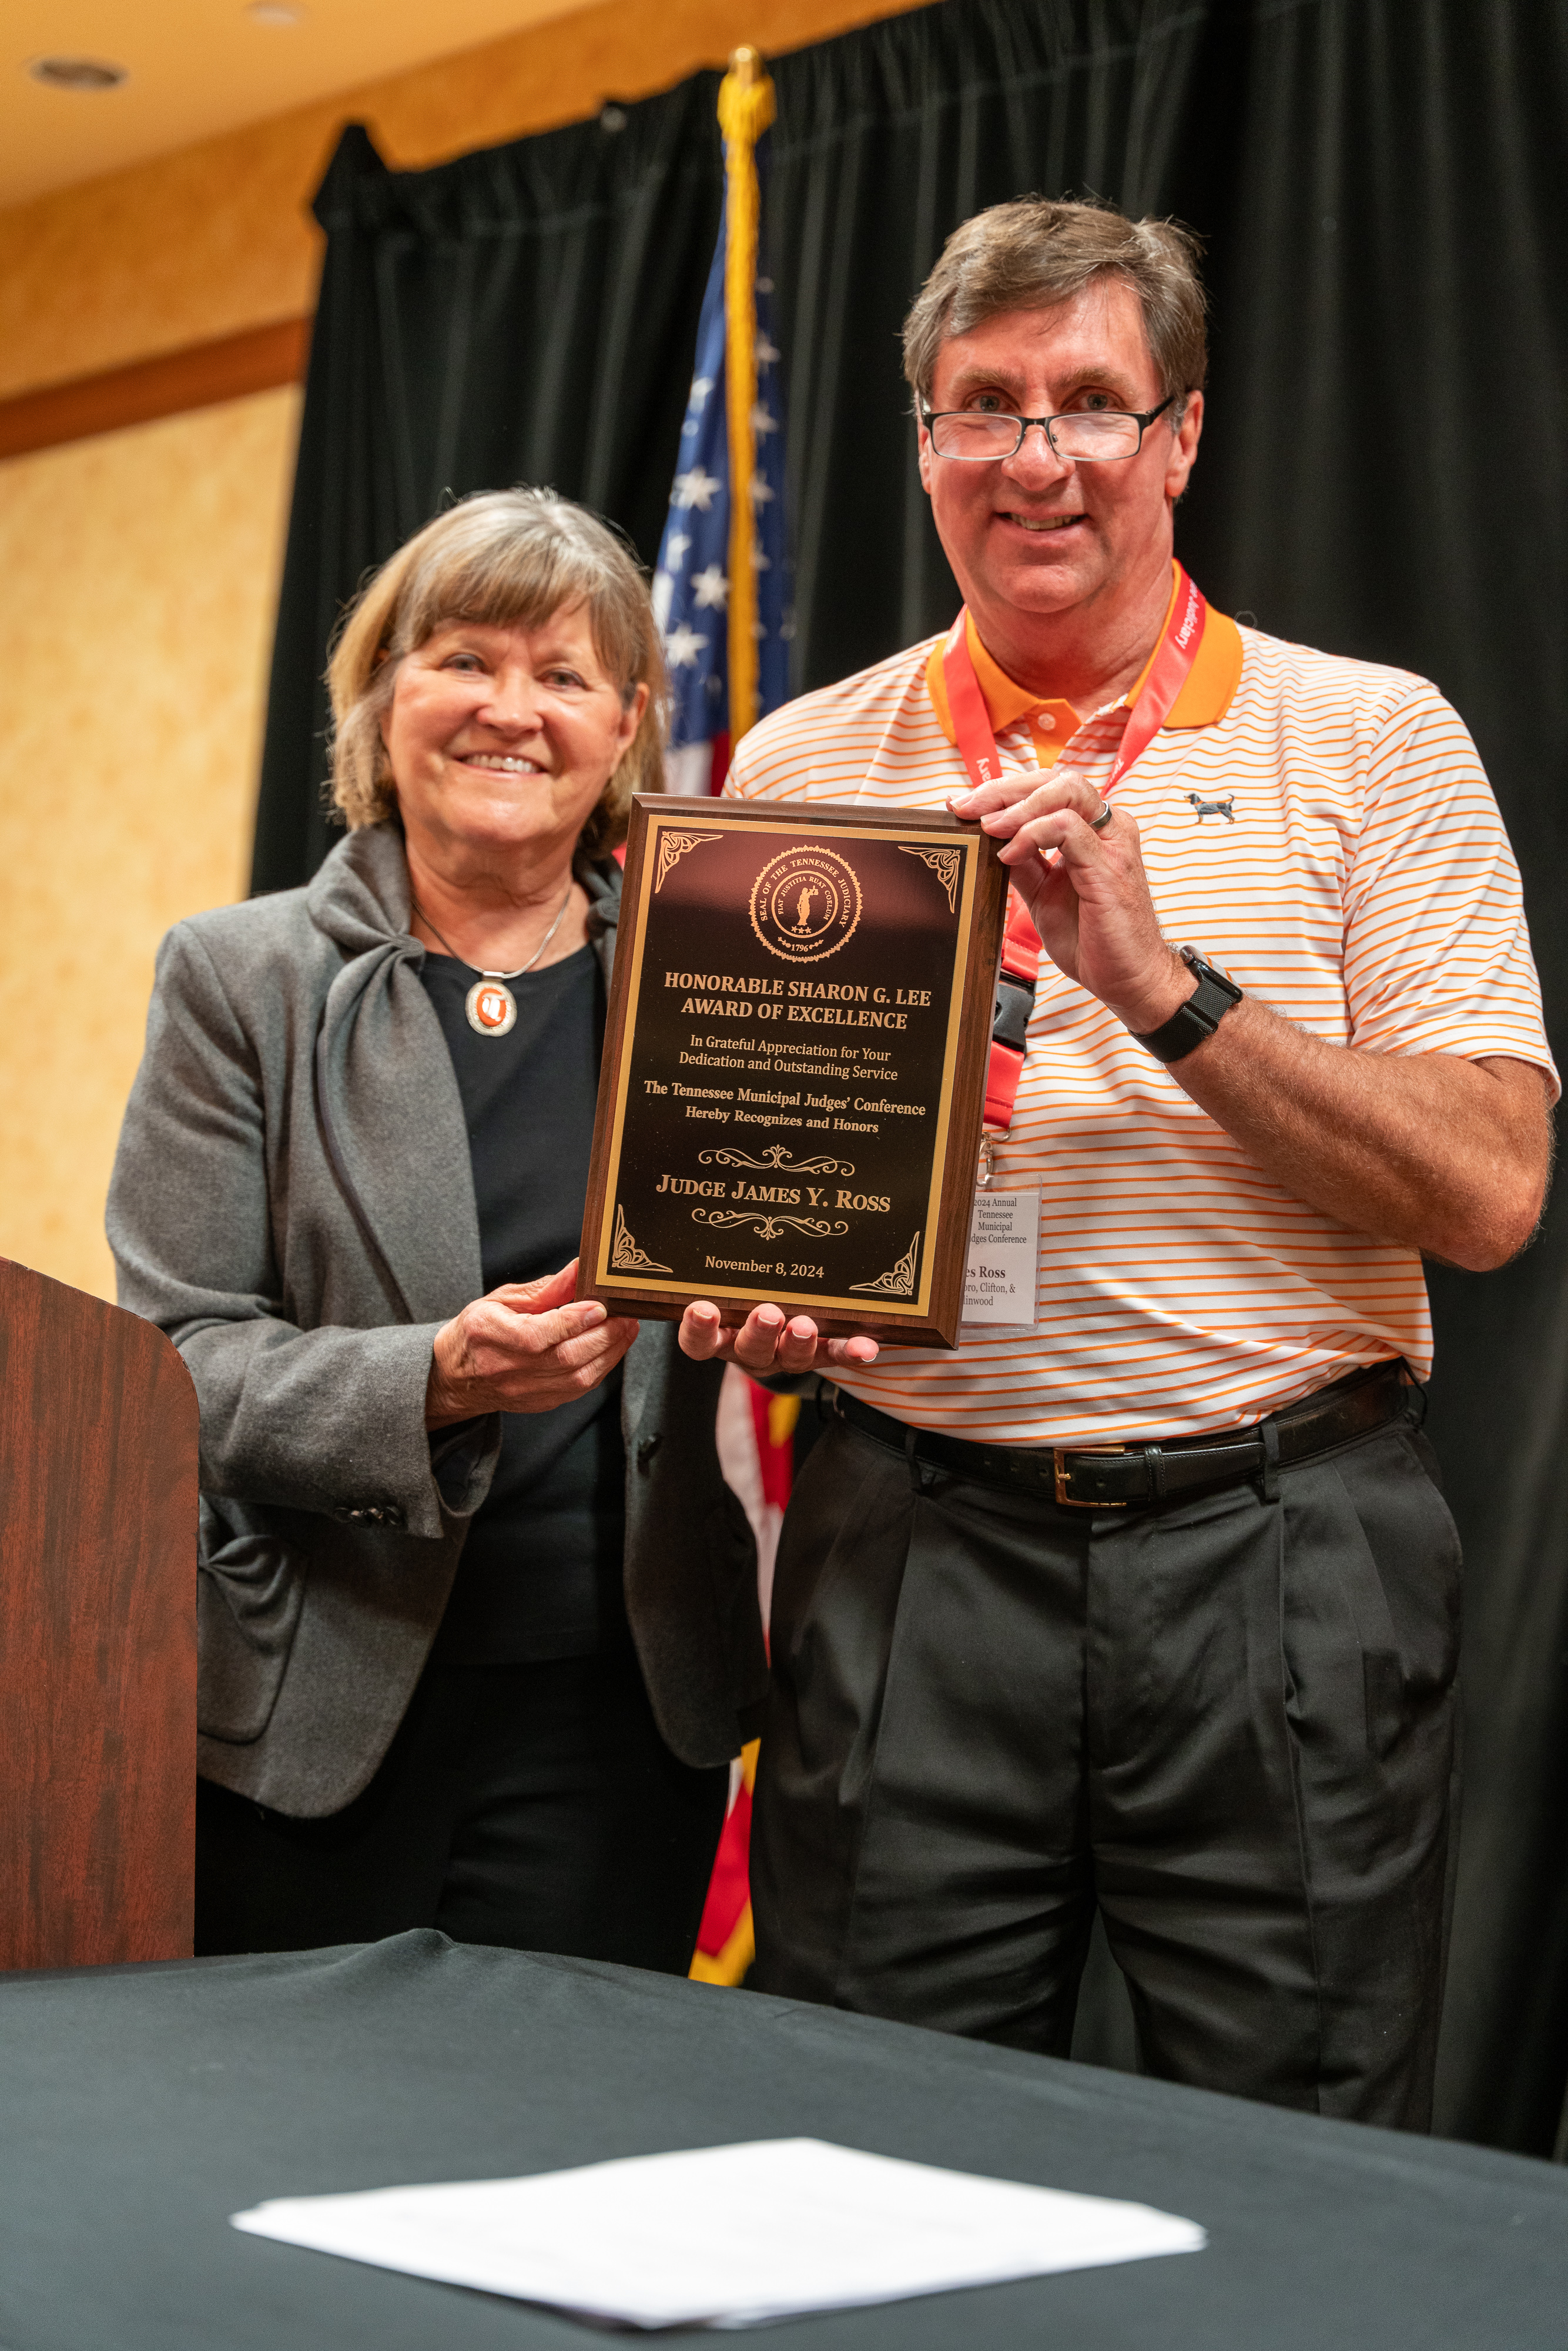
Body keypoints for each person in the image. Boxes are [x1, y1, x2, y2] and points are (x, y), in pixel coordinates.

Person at [677, 199, 1557, 2126]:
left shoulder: (1369, 739)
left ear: (1176, 439)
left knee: (1302, 2172)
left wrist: (1158, 987)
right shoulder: (798, 768)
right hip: (912, 1545)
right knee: (853, 2142)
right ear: (919, 443)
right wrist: (747, 1298)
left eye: (1088, 402)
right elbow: (748, 1199)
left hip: (1277, 1552)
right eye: (979, 407)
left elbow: (1489, 1187)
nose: (1034, 458)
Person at [109, 487, 829, 1969]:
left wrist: (796, 1328)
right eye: (463, 660)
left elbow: (802, 1278)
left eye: (562, 676)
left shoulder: (721, 976)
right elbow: (174, 1368)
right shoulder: (237, 981)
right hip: (305, 1710)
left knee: (562, 2182)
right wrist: (427, 1379)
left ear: (624, 726)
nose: (513, 711)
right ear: (381, 698)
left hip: (624, 1723)